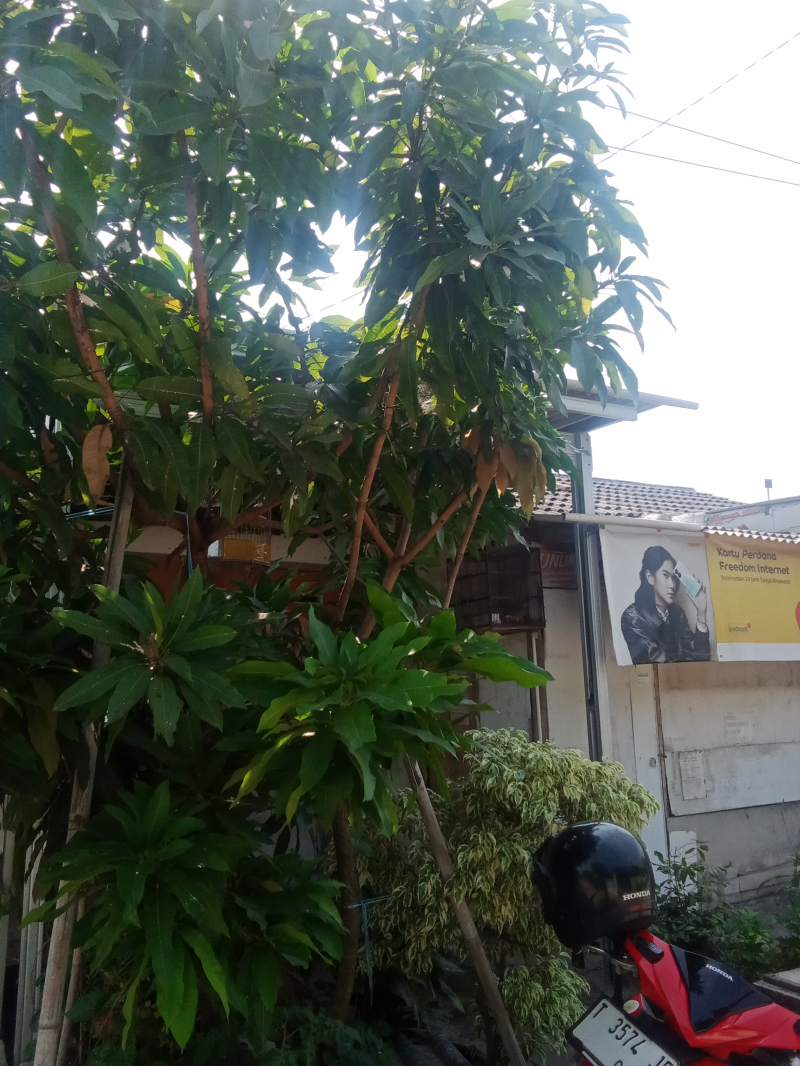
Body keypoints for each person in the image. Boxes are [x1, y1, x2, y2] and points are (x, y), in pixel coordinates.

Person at [621, 546, 710, 664]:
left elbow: (701, 660)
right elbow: (659, 664)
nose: (672, 585)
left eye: (674, 578)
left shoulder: (678, 613)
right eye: (665, 575)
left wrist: (701, 613)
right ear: (650, 577)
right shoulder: (633, 617)